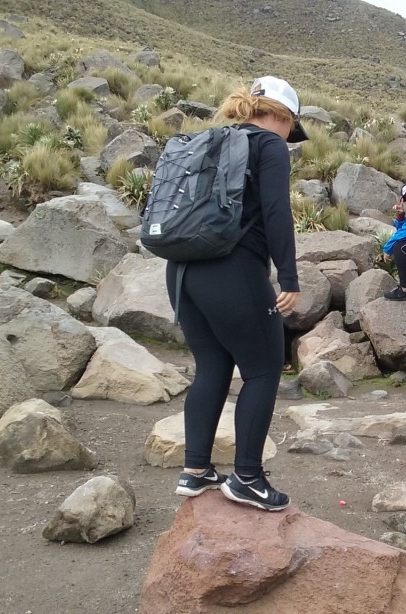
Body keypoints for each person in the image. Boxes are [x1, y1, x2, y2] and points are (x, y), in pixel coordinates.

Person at [168, 76, 307, 511]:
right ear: (281, 117)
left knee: (211, 365)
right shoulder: (269, 146)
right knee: (264, 369)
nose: (289, 136)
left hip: (182, 272)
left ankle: (196, 471)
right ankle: (247, 477)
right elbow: (275, 211)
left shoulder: (210, 140)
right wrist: (289, 277)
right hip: (232, 270)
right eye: (291, 127)